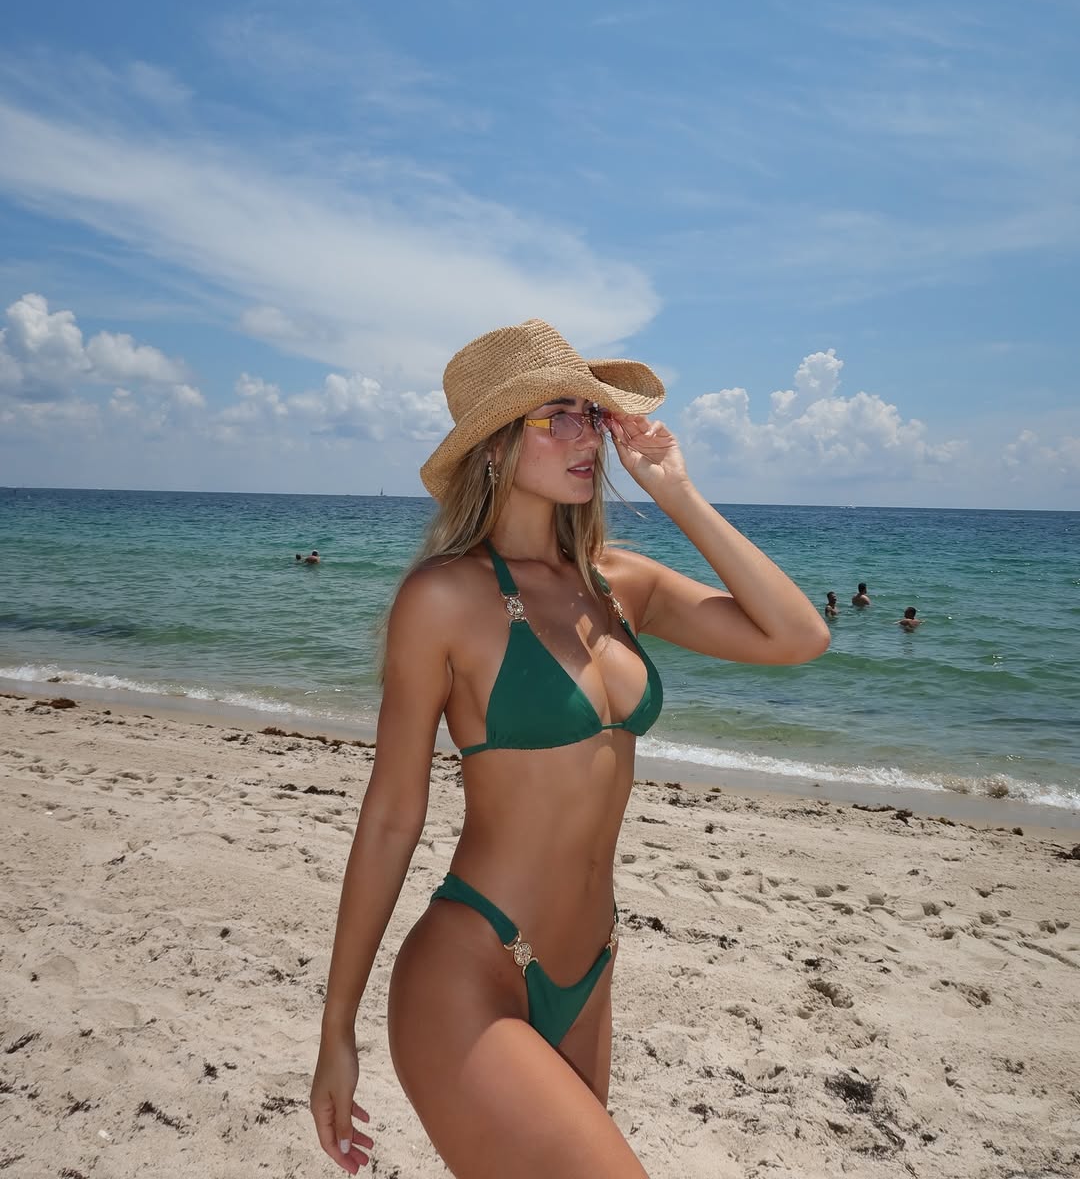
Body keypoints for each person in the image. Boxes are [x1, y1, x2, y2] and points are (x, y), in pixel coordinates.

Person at [309, 319, 830, 1177]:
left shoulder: (619, 584)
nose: (585, 436)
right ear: (494, 446)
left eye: (590, 415)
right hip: (470, 972)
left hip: (589, 973)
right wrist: (337, 1028)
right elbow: (393, 815)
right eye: (555, 417)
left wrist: (676, 492)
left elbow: (799, 635)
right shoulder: (442, 598)